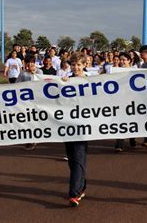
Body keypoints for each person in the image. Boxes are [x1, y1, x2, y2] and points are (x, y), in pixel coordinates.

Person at [62, 52, 89, 207]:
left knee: (79, 157)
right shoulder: (66, 80)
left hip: (83, 126)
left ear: (84, 65)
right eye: (73, 65)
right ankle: (82, 186)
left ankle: (74, 193)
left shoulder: (92, 81)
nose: (76, 67)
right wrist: (63, 84)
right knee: (72, 159)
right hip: (67, 126)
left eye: (79, 64)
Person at [17, 54, 43, 151]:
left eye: (32, 62)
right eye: (28, 63)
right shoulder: (23, 74)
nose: (30, 64)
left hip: (37, 99)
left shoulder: (40, 71)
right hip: (26, 100)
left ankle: (35, 138)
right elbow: (16, 86)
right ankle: (30, 138)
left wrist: (34, 74)